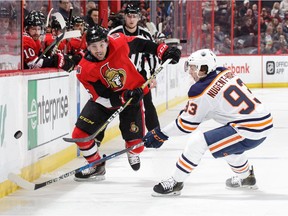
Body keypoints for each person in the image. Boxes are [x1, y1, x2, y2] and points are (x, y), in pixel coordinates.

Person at [143, 49, 273, 196]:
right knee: (228, 145)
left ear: (204, 68)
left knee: (198, 141)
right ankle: (246, 178)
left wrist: (161, 134)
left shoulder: (200, 89)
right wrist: (190, 114)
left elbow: (186, 126)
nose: (190, 71)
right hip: (263, 121)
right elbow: (212, 108)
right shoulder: (223, 71)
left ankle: (176, 182)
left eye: (193, 67)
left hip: (249, 128)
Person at [71, 25, 181, 181]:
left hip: (133, 96)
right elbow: (101, 96)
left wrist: (163, 50)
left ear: (107, 42)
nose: (99, 50)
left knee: (137, 146)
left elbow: (141, 44)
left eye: (102, 45)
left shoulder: (119, 42)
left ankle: (132, 151)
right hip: (107, 101)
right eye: (94, 46)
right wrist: (122, 97)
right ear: (87, 47)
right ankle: (96, 166)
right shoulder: (84, 70)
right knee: (79, 135)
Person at [109, 4, 160, 131]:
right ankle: (97, 136)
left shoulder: (145, 34)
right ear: (124, 17)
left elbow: (152, 55)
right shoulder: (115, 33)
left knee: (148, 103)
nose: (131, 19)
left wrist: (153, 75)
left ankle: (155, 133)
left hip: (139, 76)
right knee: (109, 106)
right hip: (118, 76)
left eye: (134, 16)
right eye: (129, 16)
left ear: (139, 18)